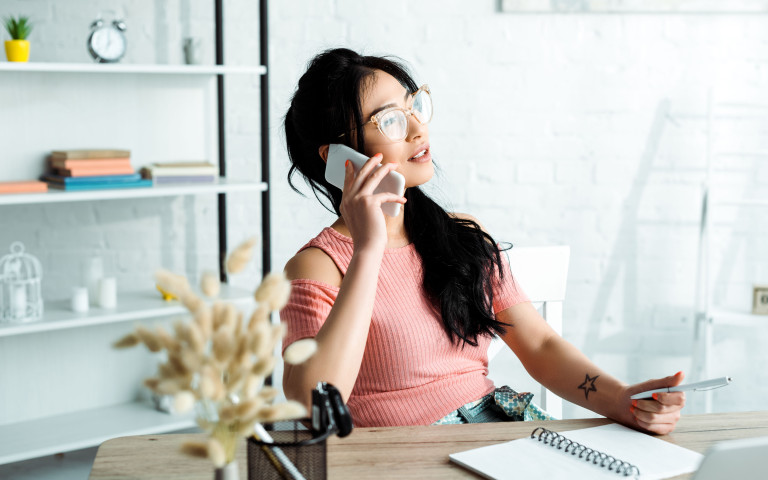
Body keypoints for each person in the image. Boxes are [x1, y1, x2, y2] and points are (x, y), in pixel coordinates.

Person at [279, 47, 685, 433]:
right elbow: (315, 407)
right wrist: (368, 250)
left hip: (497, 435)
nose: (419, 129)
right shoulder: (318, 265)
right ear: (336, 157)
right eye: (390, 120)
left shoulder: (458, 234)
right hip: (407, 458)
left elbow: (540, 346)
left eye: (413, 106)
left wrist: (621, 400)